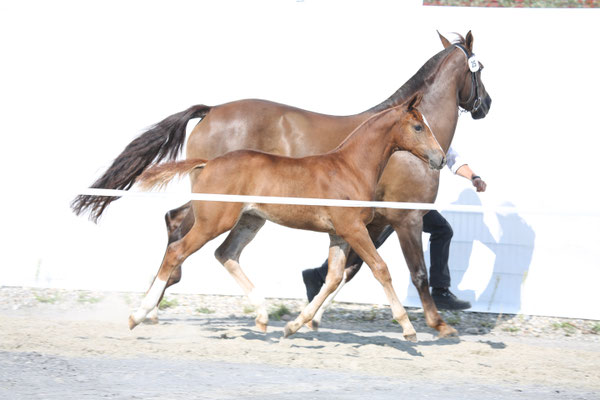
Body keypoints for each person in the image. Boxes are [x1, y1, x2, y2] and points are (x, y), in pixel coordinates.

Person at [301, 147, 487, 310]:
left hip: (413, 202)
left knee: (442, 230)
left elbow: (452, 158)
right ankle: (318, 276)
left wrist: (474, 177)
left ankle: (440, 290)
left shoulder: (434, 134)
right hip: (394, 200)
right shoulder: (412, 130)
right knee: (367, 246)